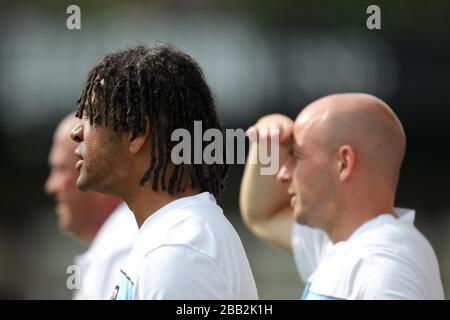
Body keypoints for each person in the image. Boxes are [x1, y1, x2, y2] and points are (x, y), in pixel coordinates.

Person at [70, 43, 258, 300]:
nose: (76, 132)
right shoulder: (170, 237)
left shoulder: (176, 249)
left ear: (136, 134)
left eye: (90, 116)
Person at [240, 93, 444, 299]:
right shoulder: (346, 244)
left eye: (296, 156)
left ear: (344, 163)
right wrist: (269, 144)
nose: (283, 174)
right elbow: (264, 214)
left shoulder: (384, 267)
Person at [45, 113, 138, 299]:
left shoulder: (127, 253)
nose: (50, 186)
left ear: (98, 171)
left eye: (61, 169)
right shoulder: (115, 250)